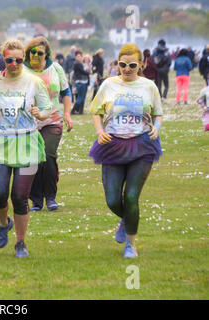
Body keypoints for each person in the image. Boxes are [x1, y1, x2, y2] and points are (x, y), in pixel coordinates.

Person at [0, 39, 52, 258]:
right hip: (1, 142)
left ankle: (20, 242)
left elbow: (48, 109)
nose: (14, 64)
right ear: (3, 59)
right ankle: (4, 223)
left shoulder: (34, 82)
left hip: (27, 142)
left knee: (20, 195)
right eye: (10, 60)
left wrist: (41, 114)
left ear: (24, 60)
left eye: (19, 60)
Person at [88, 43, 163, 259]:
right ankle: (126, 218)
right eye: (122, 65)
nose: (127, 69)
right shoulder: (108, 85)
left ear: (141, 64)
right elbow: (95, 110)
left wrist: (156, 128)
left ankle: (131, 244)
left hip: (142, 145)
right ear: (117, 64)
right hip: (112, 144)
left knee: (131, 197)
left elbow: (158, 113)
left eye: (132, 65)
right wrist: (99, 130)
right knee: (112, 199)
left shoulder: (149, 87)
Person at [23, 36, 73, 211]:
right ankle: (36, 200)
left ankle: (50, 197)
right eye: (32, 52)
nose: (36, 55)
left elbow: (66, 92)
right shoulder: (22, 70)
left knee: (48, 155)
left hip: (52, 119)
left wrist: (67, 113)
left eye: (40, 53)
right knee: (34, 159)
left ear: (47, 54)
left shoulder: (55, 69)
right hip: (28, 122)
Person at [71, 50, 90, 115]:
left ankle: (80, 111)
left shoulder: (79, 63)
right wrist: (88, 73)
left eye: (80, 56)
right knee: (80, 97)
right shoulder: (77, 63)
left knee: (82, 97)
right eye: (78, 56)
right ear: (75, 57)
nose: (79, 57)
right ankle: (73, 111)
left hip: (83, 82)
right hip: (80, 82)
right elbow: (82, 71)